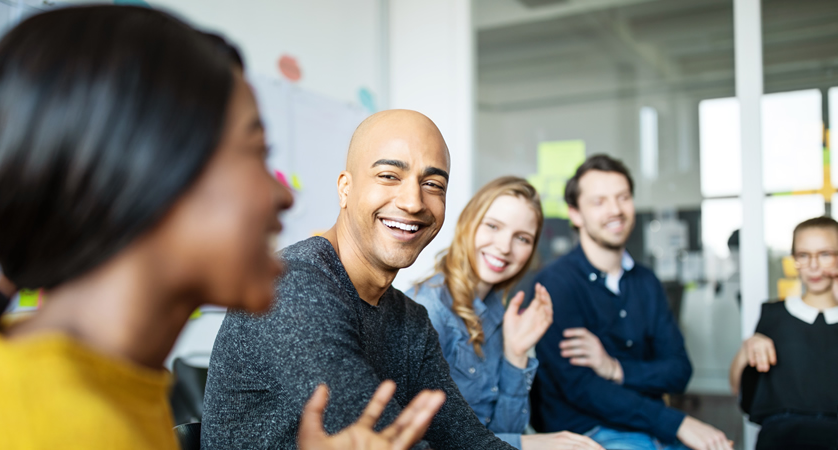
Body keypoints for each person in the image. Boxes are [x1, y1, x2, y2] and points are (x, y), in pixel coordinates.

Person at [0, 6, 444, 449]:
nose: (284, 194)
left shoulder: (118, 387)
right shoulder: (48, 425)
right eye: (254, 154)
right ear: (150, 183)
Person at [202, 110, 514, 450]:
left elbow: (468, 442)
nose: (412, 202)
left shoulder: (410, 320)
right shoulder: (294, 286)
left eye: (432, 184)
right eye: (389, 175)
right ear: (345, 189)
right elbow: (386, 443)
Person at [522, 154, 732, 450]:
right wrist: (678, 422)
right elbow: (582, 389)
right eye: (599, 201)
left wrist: (615, 369)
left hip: (653, 428)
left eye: (623, 198)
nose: (616, 210)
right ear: (576, 214)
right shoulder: (556, 285)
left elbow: (679, 371)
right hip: (588, 433)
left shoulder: (646, 282)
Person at [406, 176, 604, 450]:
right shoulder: (428, 312)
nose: (504, 247)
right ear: (468, 223)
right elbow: (423, 442)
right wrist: (530, 444)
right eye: (493, 226)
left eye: (522, 238)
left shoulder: (499, 312)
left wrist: (515, 353)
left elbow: (502, 431)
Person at [729, 216, 838, 449]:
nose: (814, 266)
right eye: (803, 255)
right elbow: (738, 389)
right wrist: (747, 348)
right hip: (782, 438)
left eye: (825, 254)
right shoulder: (774, 315)